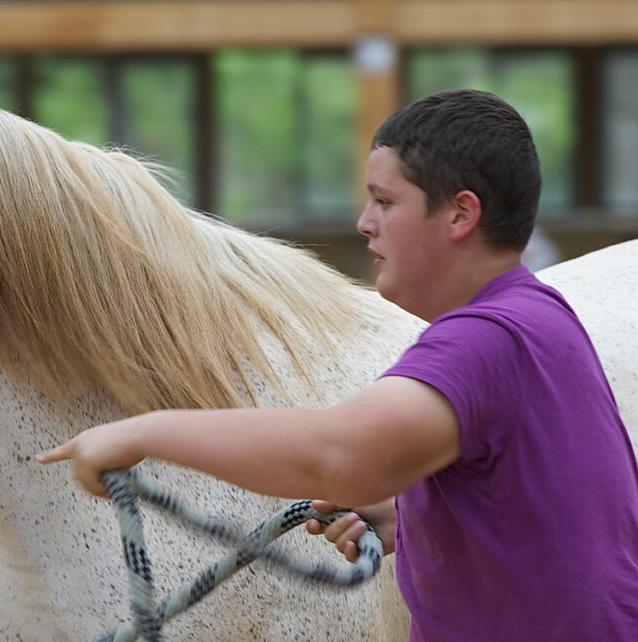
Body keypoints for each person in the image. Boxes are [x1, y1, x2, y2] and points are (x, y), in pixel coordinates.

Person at [36, 89, 638, 639]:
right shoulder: (537, 315)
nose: (364, 223)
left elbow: (339, 457)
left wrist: (142, 431)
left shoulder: (484, 340)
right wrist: (414, 520)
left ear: (460, 214)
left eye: (384, 201)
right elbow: (536, 514)